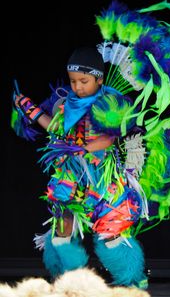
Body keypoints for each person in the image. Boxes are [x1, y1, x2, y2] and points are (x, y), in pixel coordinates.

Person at [14, 46, 148, 289]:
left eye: (84, 81)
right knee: (62, 222)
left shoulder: (109, 104)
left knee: (109, 228)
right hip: (70, 172)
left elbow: (109, 138)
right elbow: (55, 128)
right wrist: (30, 110)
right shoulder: (65, 104)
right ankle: (70, 278)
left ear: (99, 79)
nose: (77, 87)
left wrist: (83, 148)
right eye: (73, 81)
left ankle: (130, 279)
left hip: (100, 175)